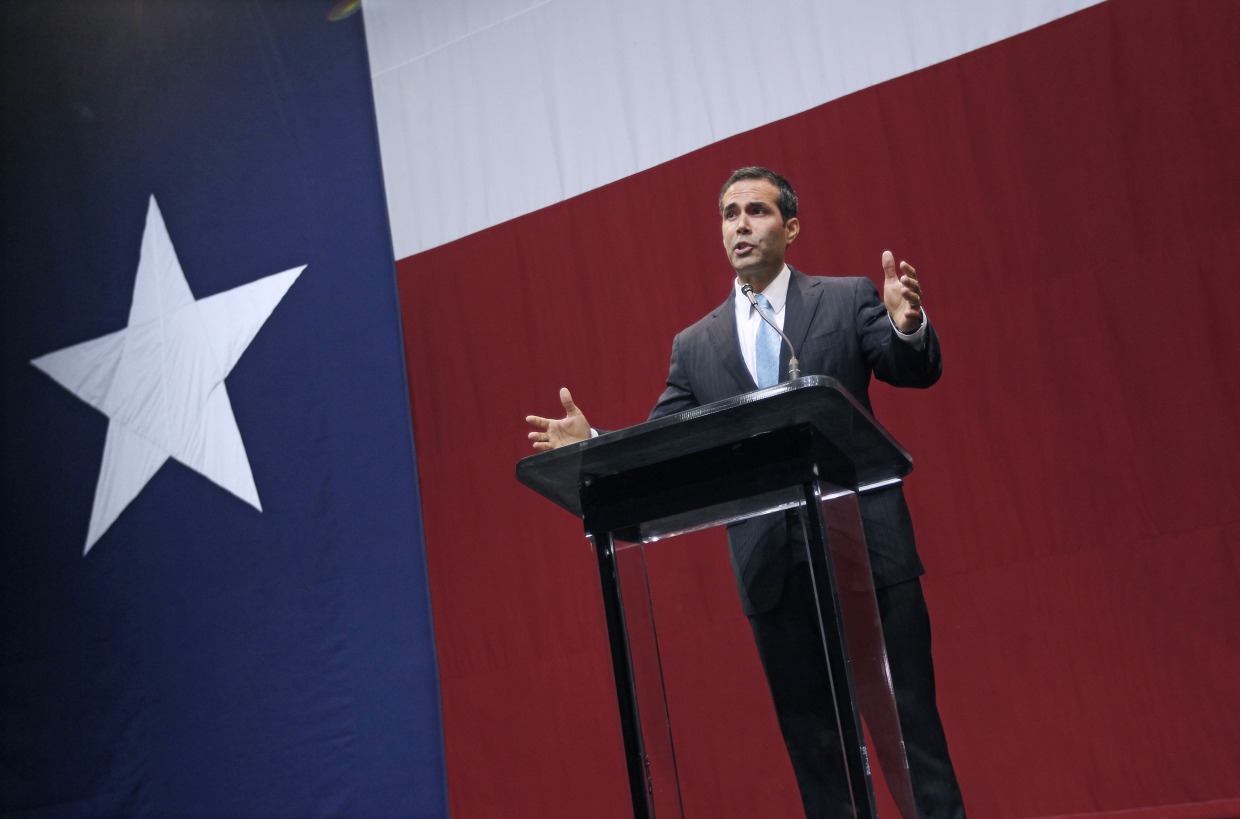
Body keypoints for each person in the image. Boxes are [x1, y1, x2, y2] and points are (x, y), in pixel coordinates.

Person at [526, 167, 965, 817]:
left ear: (790, 227)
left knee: (911, 733)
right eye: (729, 214)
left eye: (756, 211)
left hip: (868, 552)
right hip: (772, 572)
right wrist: (593, 442)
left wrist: (907, 326)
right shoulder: (696, 345)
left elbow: (911, 368)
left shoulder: (845, 298)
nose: (740, 225)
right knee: (817, 751)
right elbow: (664, 445)